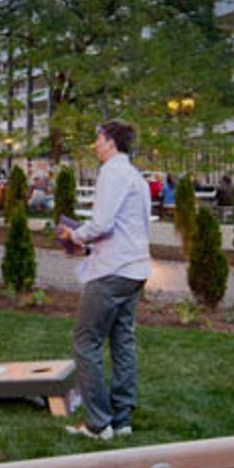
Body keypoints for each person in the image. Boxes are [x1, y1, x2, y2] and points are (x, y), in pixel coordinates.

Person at [54, 120, 152, 440]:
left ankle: (98, 424)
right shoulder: (135, 176)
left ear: (110, 141)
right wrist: (89, 243)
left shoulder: (111, 172)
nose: (94, 145)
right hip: (135, 270)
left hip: (112, 271)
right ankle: (122, 421)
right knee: (123, 343)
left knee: (86, 342)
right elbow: (130, 227)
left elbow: (103, 223)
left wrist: (74, 235)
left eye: (97, 139)